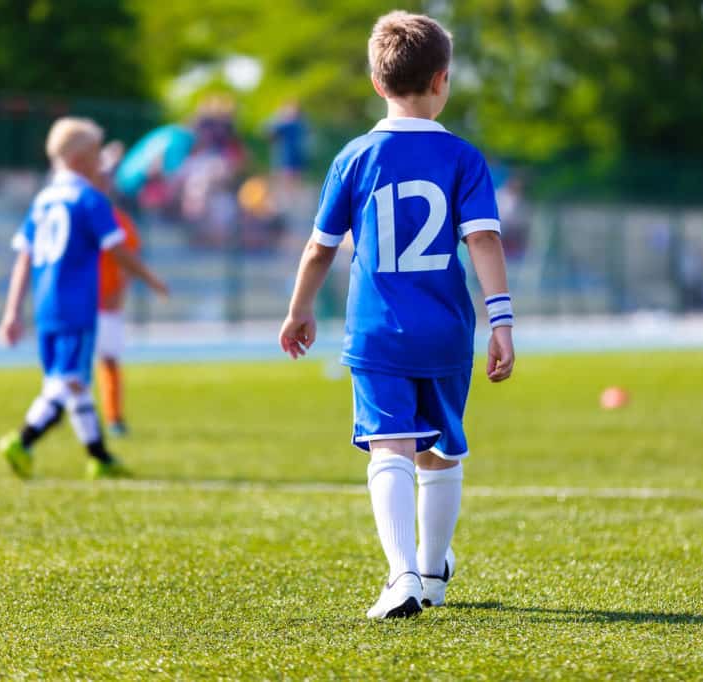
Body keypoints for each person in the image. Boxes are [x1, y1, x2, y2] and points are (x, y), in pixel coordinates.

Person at [278, 11, 515, 619]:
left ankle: (402, 575)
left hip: (378, 328)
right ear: (442, 80)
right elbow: (484, 241)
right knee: (442, 452)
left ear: (377, 82)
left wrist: (300, 309)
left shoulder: (354, 156)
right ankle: (433, 575)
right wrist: (502, 321)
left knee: (390, 447)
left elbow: (319, 247)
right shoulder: (464, 158)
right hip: (446, 328)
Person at [0, 118, 168, 480]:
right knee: (66, 381)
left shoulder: (42, 200)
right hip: (76, 305)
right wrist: (151, 279)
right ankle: (23, 439)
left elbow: (23, 258)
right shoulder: (90, 199)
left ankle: (100, 457)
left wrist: (12, 311)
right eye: (95, 155)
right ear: (78, 158)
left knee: (73, 384)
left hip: (45, 307)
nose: (100, 163)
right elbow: (118, 250)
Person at [95, 141, 142, 437]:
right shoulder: (77, 214)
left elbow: (130, 260)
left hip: (107, 302)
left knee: (109, 360)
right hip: (77, 302)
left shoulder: (119, 219)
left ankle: (113, 417)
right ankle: (61, 411)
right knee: (70, 364)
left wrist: (120, 290)